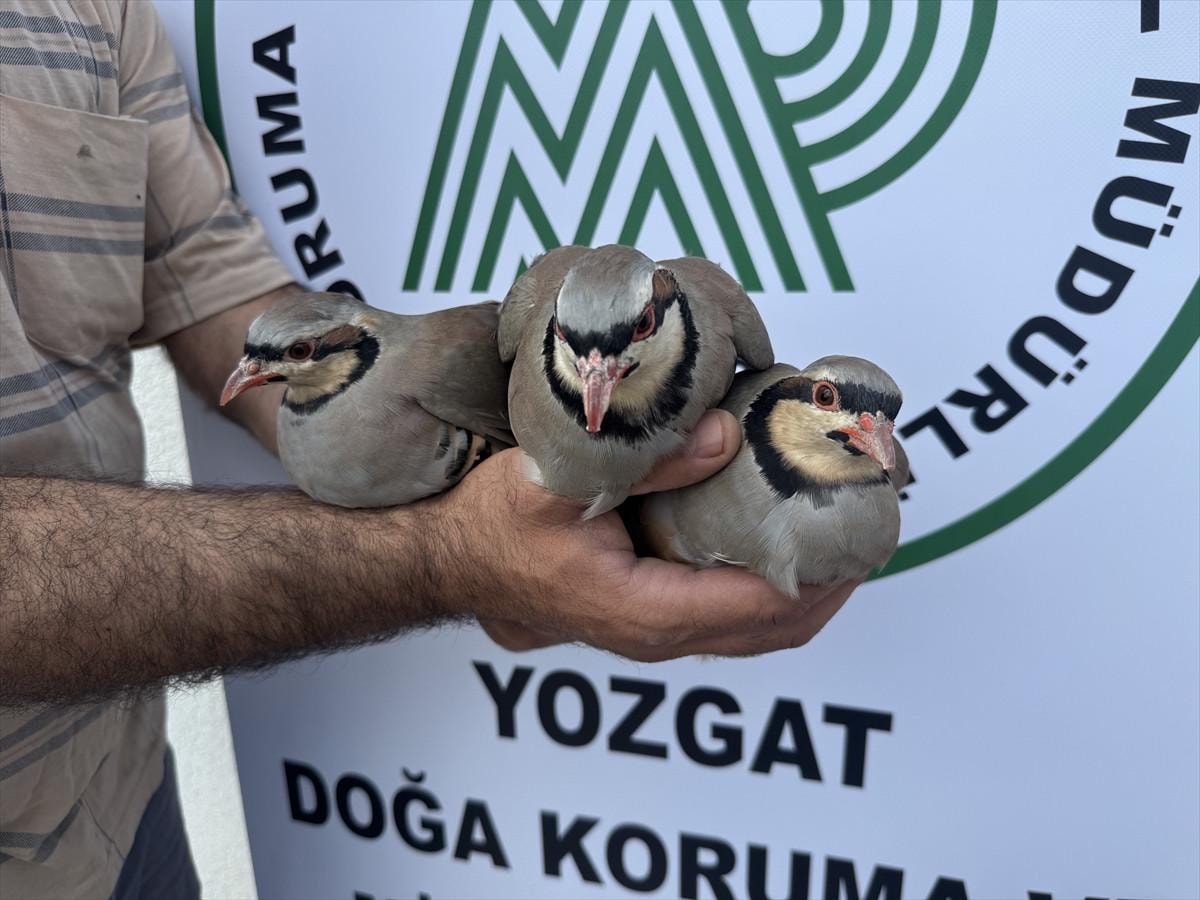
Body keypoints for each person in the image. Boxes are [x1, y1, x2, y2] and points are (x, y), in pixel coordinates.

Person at [0, 2, 859, 897]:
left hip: (119, 800)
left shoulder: (95, 9)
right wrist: (457, 554)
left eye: (296, 355)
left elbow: (204, 275)